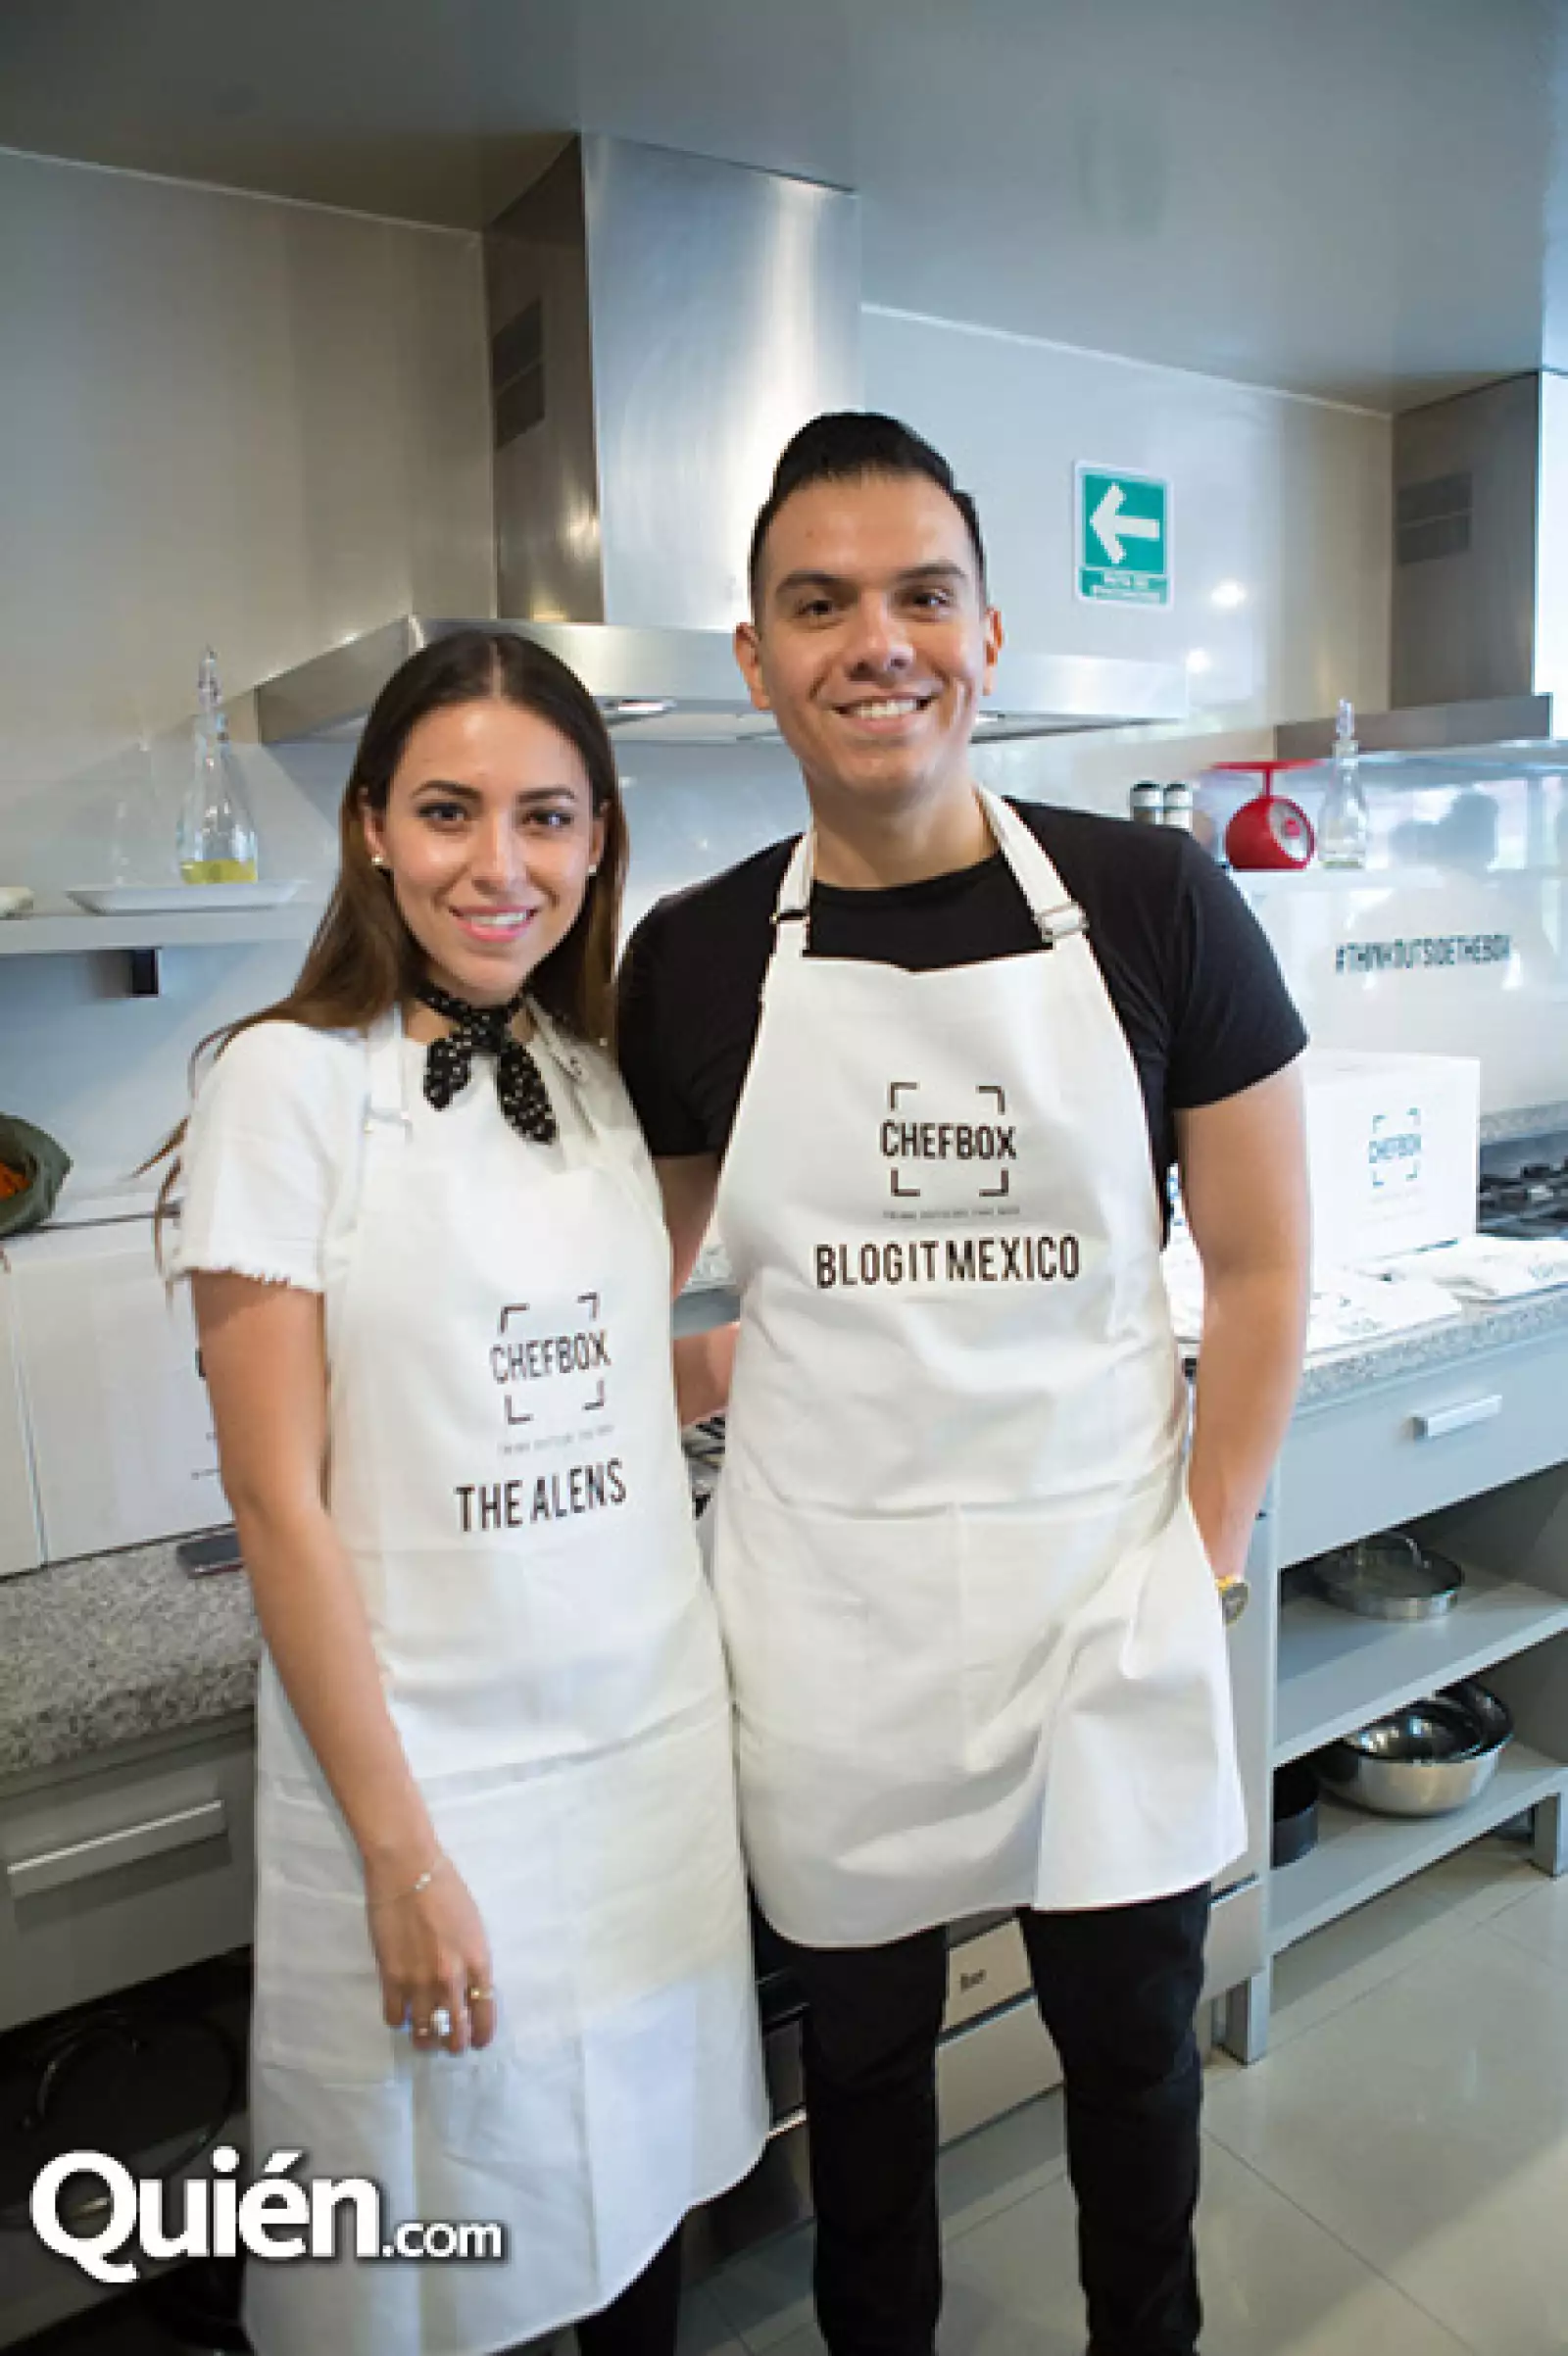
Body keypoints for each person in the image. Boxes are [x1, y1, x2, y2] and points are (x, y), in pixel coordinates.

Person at [617, 416, 1310, 2356]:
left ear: (985, 632)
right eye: (817, 602)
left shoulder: (1154, 901)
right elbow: (611, 1303)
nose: (877, 640)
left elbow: (1257, 1267)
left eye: (920, 593)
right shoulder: (688, 962)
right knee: (863, 2093)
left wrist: (1197, 1547)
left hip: (1099, 1588)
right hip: (830, 1628)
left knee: (1130, 2077)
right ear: (752, 656)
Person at [161, 627, 767, 2356]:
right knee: (449, 2258)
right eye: (448, 812)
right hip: (438, 1786)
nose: (500, 868)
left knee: (639, 2217)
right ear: (369, 829)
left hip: (644, 1760)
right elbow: (282, 1503)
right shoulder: (282, 1086)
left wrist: (785, 1367)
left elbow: (567, 1391)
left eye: (547, 820)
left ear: (598, 841)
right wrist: (404, 1860)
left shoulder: (586, 1080)